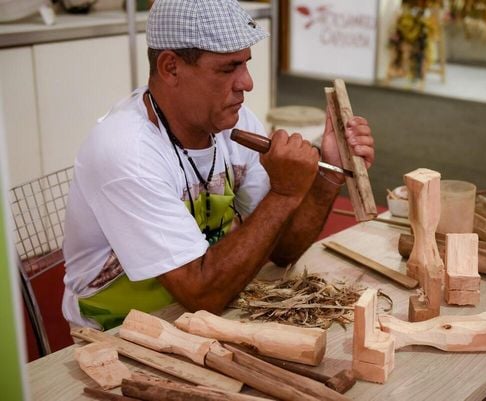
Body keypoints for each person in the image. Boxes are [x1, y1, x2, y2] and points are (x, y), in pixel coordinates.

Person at [61, 0, 375, 330]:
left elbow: (282, 249)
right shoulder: (127, 150)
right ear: (171, 68)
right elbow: (201, 294)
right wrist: (283, 194)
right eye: (228, 68)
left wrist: (328, 175)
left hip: (209, 310)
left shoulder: (233, 125)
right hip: (120, 333)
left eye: (246, 64)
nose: (247, 83)